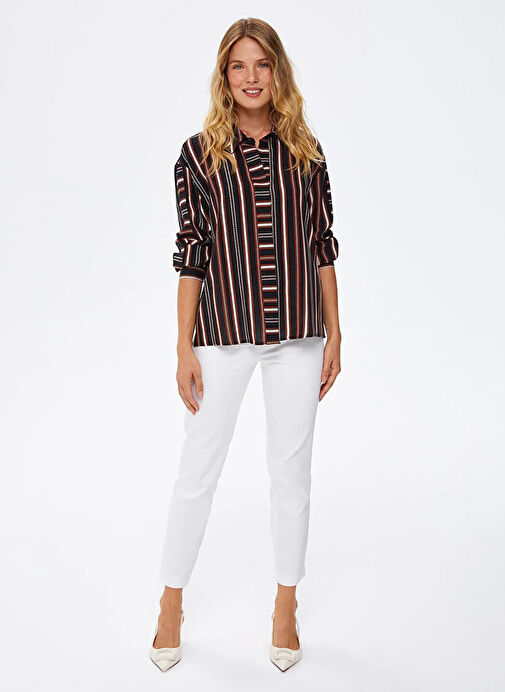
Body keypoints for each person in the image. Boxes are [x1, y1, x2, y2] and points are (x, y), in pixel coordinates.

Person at [150, 17, 342, 672]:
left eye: (262, 64)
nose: (251, 77)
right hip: (223, 330)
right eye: (239, 66)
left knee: (291, 470)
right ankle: (170, 600)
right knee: (199, 466)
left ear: (277, 71)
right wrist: (183, 346)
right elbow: (191, 253)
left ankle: (286, 604)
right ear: (224, 76)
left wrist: (335, 331)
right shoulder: (198, 155)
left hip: (298, 331)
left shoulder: (306, 152)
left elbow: (322, 246)